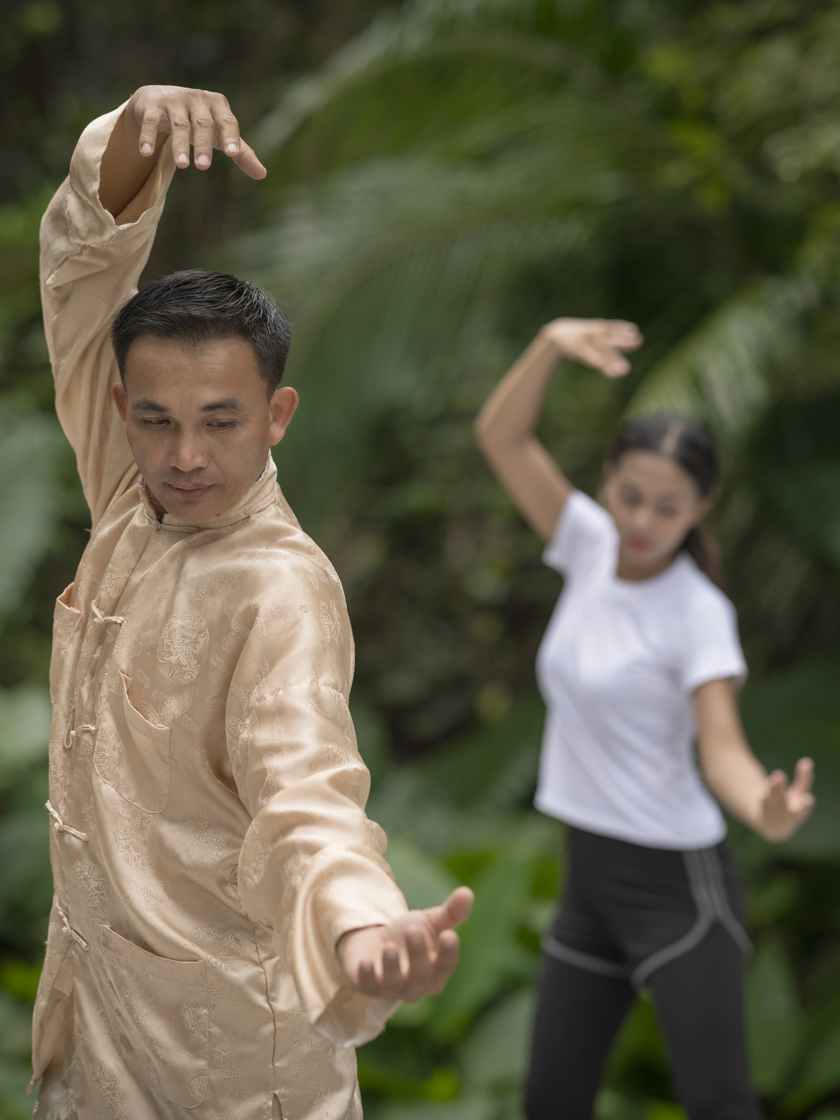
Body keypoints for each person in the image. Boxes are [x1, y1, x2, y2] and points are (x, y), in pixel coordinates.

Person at [32, 85, 472, 1120]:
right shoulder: (129, 492)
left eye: (221, 422)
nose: (186, 455)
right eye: (158, 420)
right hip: (96, 1032)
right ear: (120, 409)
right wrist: (139, 122)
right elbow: (81, 276)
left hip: (232, 1068)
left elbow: (306, 790)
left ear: (278, 415)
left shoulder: (281, 589)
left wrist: (360, 925)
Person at [474, 318, 815, 1120]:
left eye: (668, 507)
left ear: (702, 508)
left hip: (678, 886)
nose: (642, 521)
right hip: (590, 875)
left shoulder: (698, 612)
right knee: (550, 1103)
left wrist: (763, 806)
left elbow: (721, 749)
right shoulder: (588, 545)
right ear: (608, 481)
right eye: (629, 496)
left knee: (720, 1105)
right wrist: (550, 345)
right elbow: (502, 437)